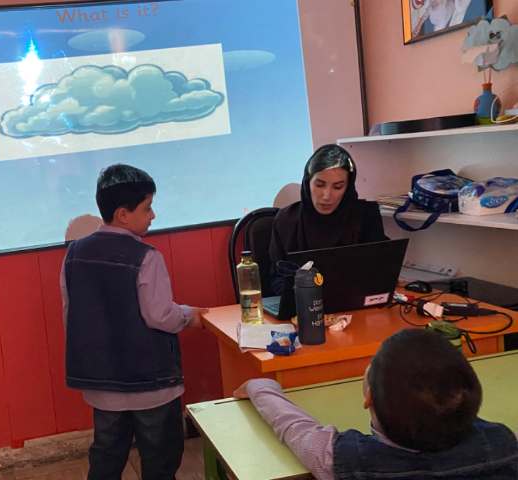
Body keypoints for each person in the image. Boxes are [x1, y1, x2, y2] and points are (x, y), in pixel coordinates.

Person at [61, 163, 208, 480]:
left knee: (106, 454)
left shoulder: (74, 255)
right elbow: (160, 315)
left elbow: (71, 312)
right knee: (160, 458)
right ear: (123, 215)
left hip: (102, 384)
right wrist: (189, 315)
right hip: (151, 384)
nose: (153, 215)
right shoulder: (146, 256)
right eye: (147, 207)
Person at [234, 328, 518, 479]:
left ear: (368, 397)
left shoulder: (347, 460)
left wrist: (261, 386)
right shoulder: (502, 441)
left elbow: (293, 427)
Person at [265, 144, 387, 295]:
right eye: (319, 185)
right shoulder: (286, 220)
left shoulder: (365, 216)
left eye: (338, 187)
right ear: (308, 182)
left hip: (356, 305)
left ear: (348, 188)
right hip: (300, 306)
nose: (327, 196)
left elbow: (380, 272)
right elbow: (276, 280)